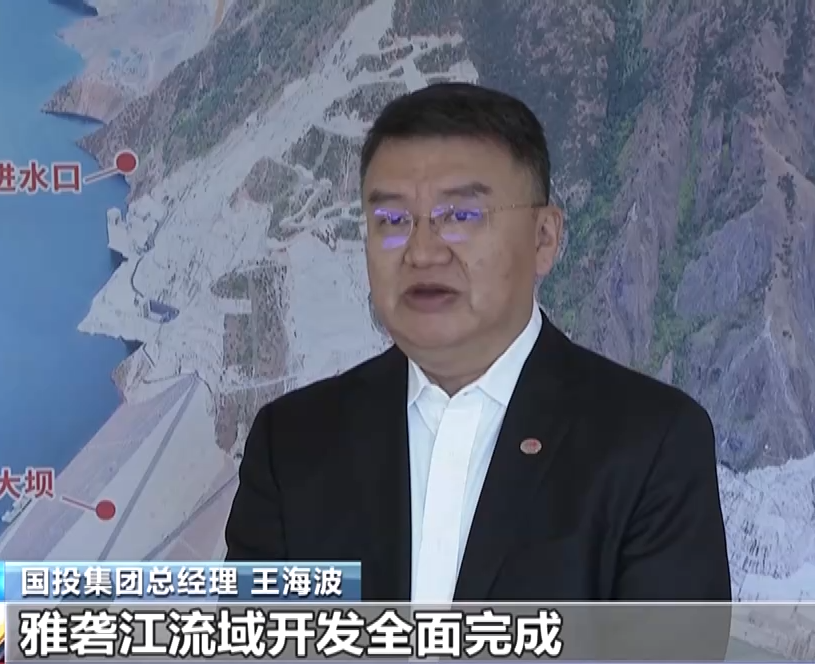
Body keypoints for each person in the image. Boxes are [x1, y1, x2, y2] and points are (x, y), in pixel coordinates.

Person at [225, 83, 731, 644]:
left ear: (544, 238)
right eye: (392, 220)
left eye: (461, 215)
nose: (422, 252)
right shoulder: (292, 442)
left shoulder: (651, 443)